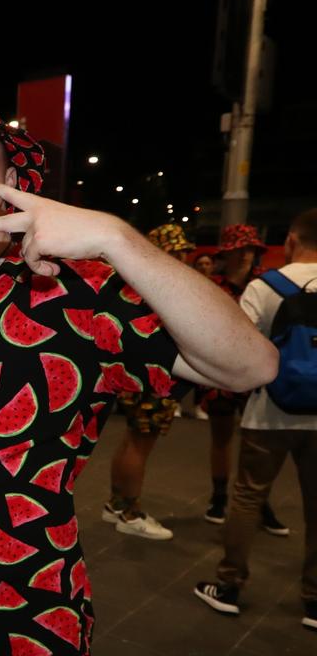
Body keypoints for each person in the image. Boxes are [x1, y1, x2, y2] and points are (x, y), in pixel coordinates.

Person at [0, 95, 277, 654]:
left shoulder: (75, 290)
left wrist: (115, 238)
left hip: (24, 615)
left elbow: (251, 365)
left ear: (12, 175)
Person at [194, 207, 317, 632]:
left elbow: (237, 345)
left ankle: (229, 586)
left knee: (247, 497)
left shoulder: (268, 287)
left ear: (291, 242)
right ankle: (315, 601)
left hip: (270, 412)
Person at [100, 224, 195, 540]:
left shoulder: (135, 282)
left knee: (132, 440)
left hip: (136, 374)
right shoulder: (160, 285)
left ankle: (116, 504)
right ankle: (129, 512)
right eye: (177, 250)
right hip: (155, 377)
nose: (183, 256)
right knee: (140, 443)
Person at [200, 224, 289, 535]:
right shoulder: (213, 286)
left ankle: (258, 502)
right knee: (221, 438)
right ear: (229, 252)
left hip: (257, 379)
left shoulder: (265, 285)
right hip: (221, 377)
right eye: (242, 249)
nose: (247, 255)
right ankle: (219, 496)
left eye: (251, 249)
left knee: (259, 445)